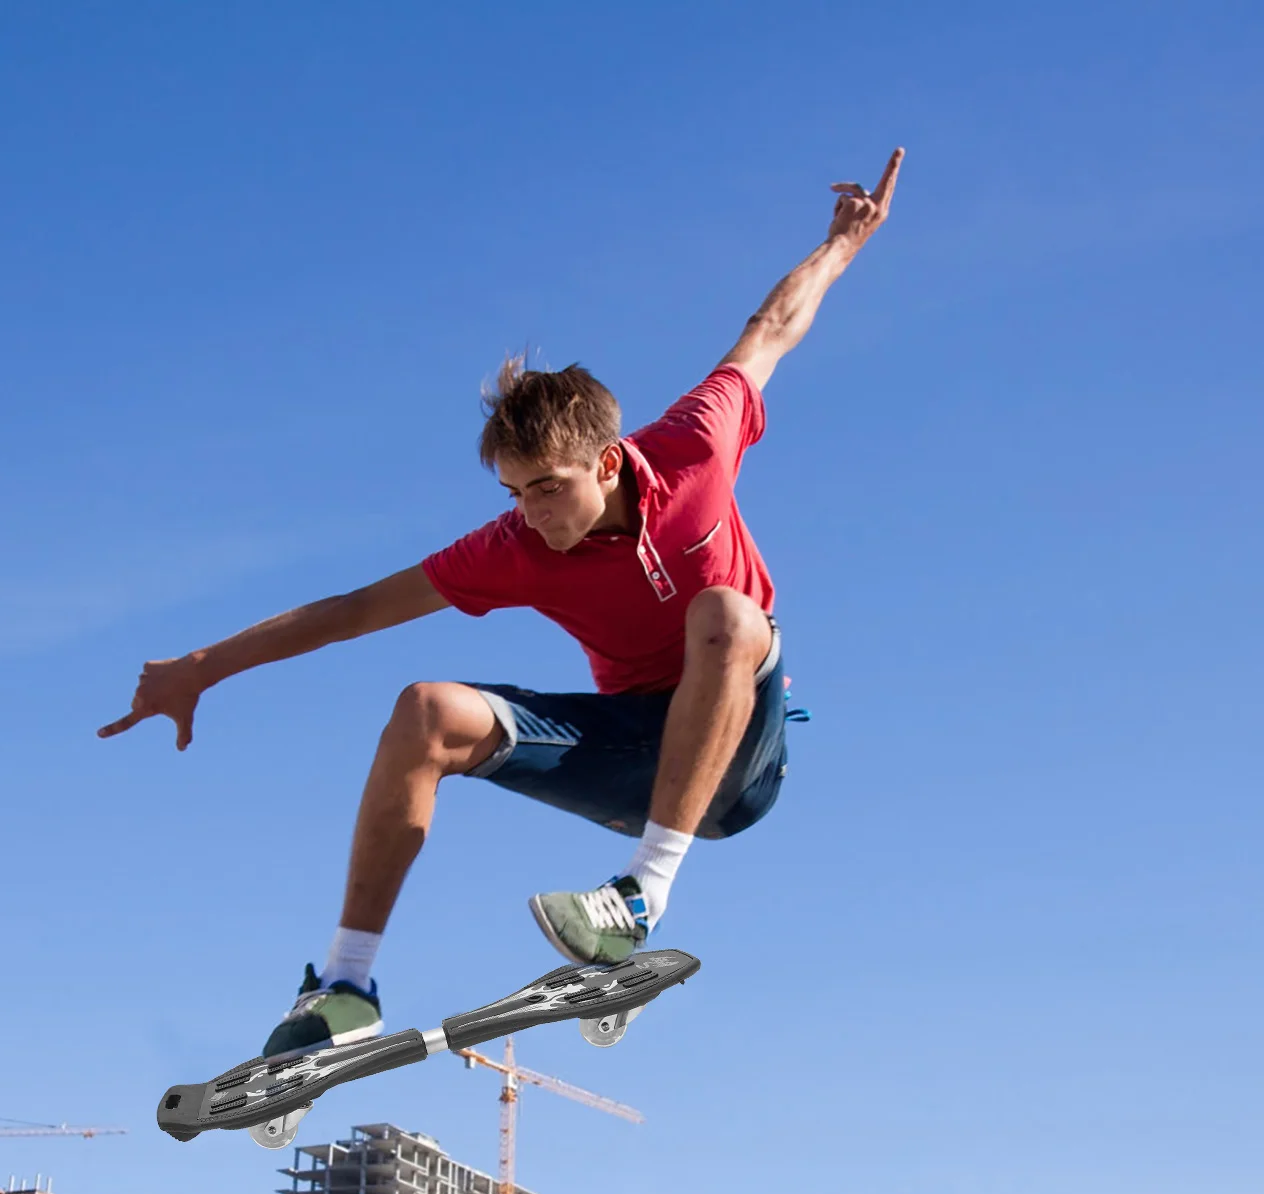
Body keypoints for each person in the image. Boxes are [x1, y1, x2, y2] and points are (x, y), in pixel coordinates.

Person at [101, 149, 903, 1060]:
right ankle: (344, 982)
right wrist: (204, 666)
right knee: (424, 711)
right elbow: (355, 609)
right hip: (630, 757)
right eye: (517, 492)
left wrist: (842, 244)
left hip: (740, 757)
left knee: (724, 611)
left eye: (550, 488)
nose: (534, 515)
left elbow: (771, 329)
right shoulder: (512, 548)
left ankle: (639, 897)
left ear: (607, 462)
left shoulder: (694, 446)